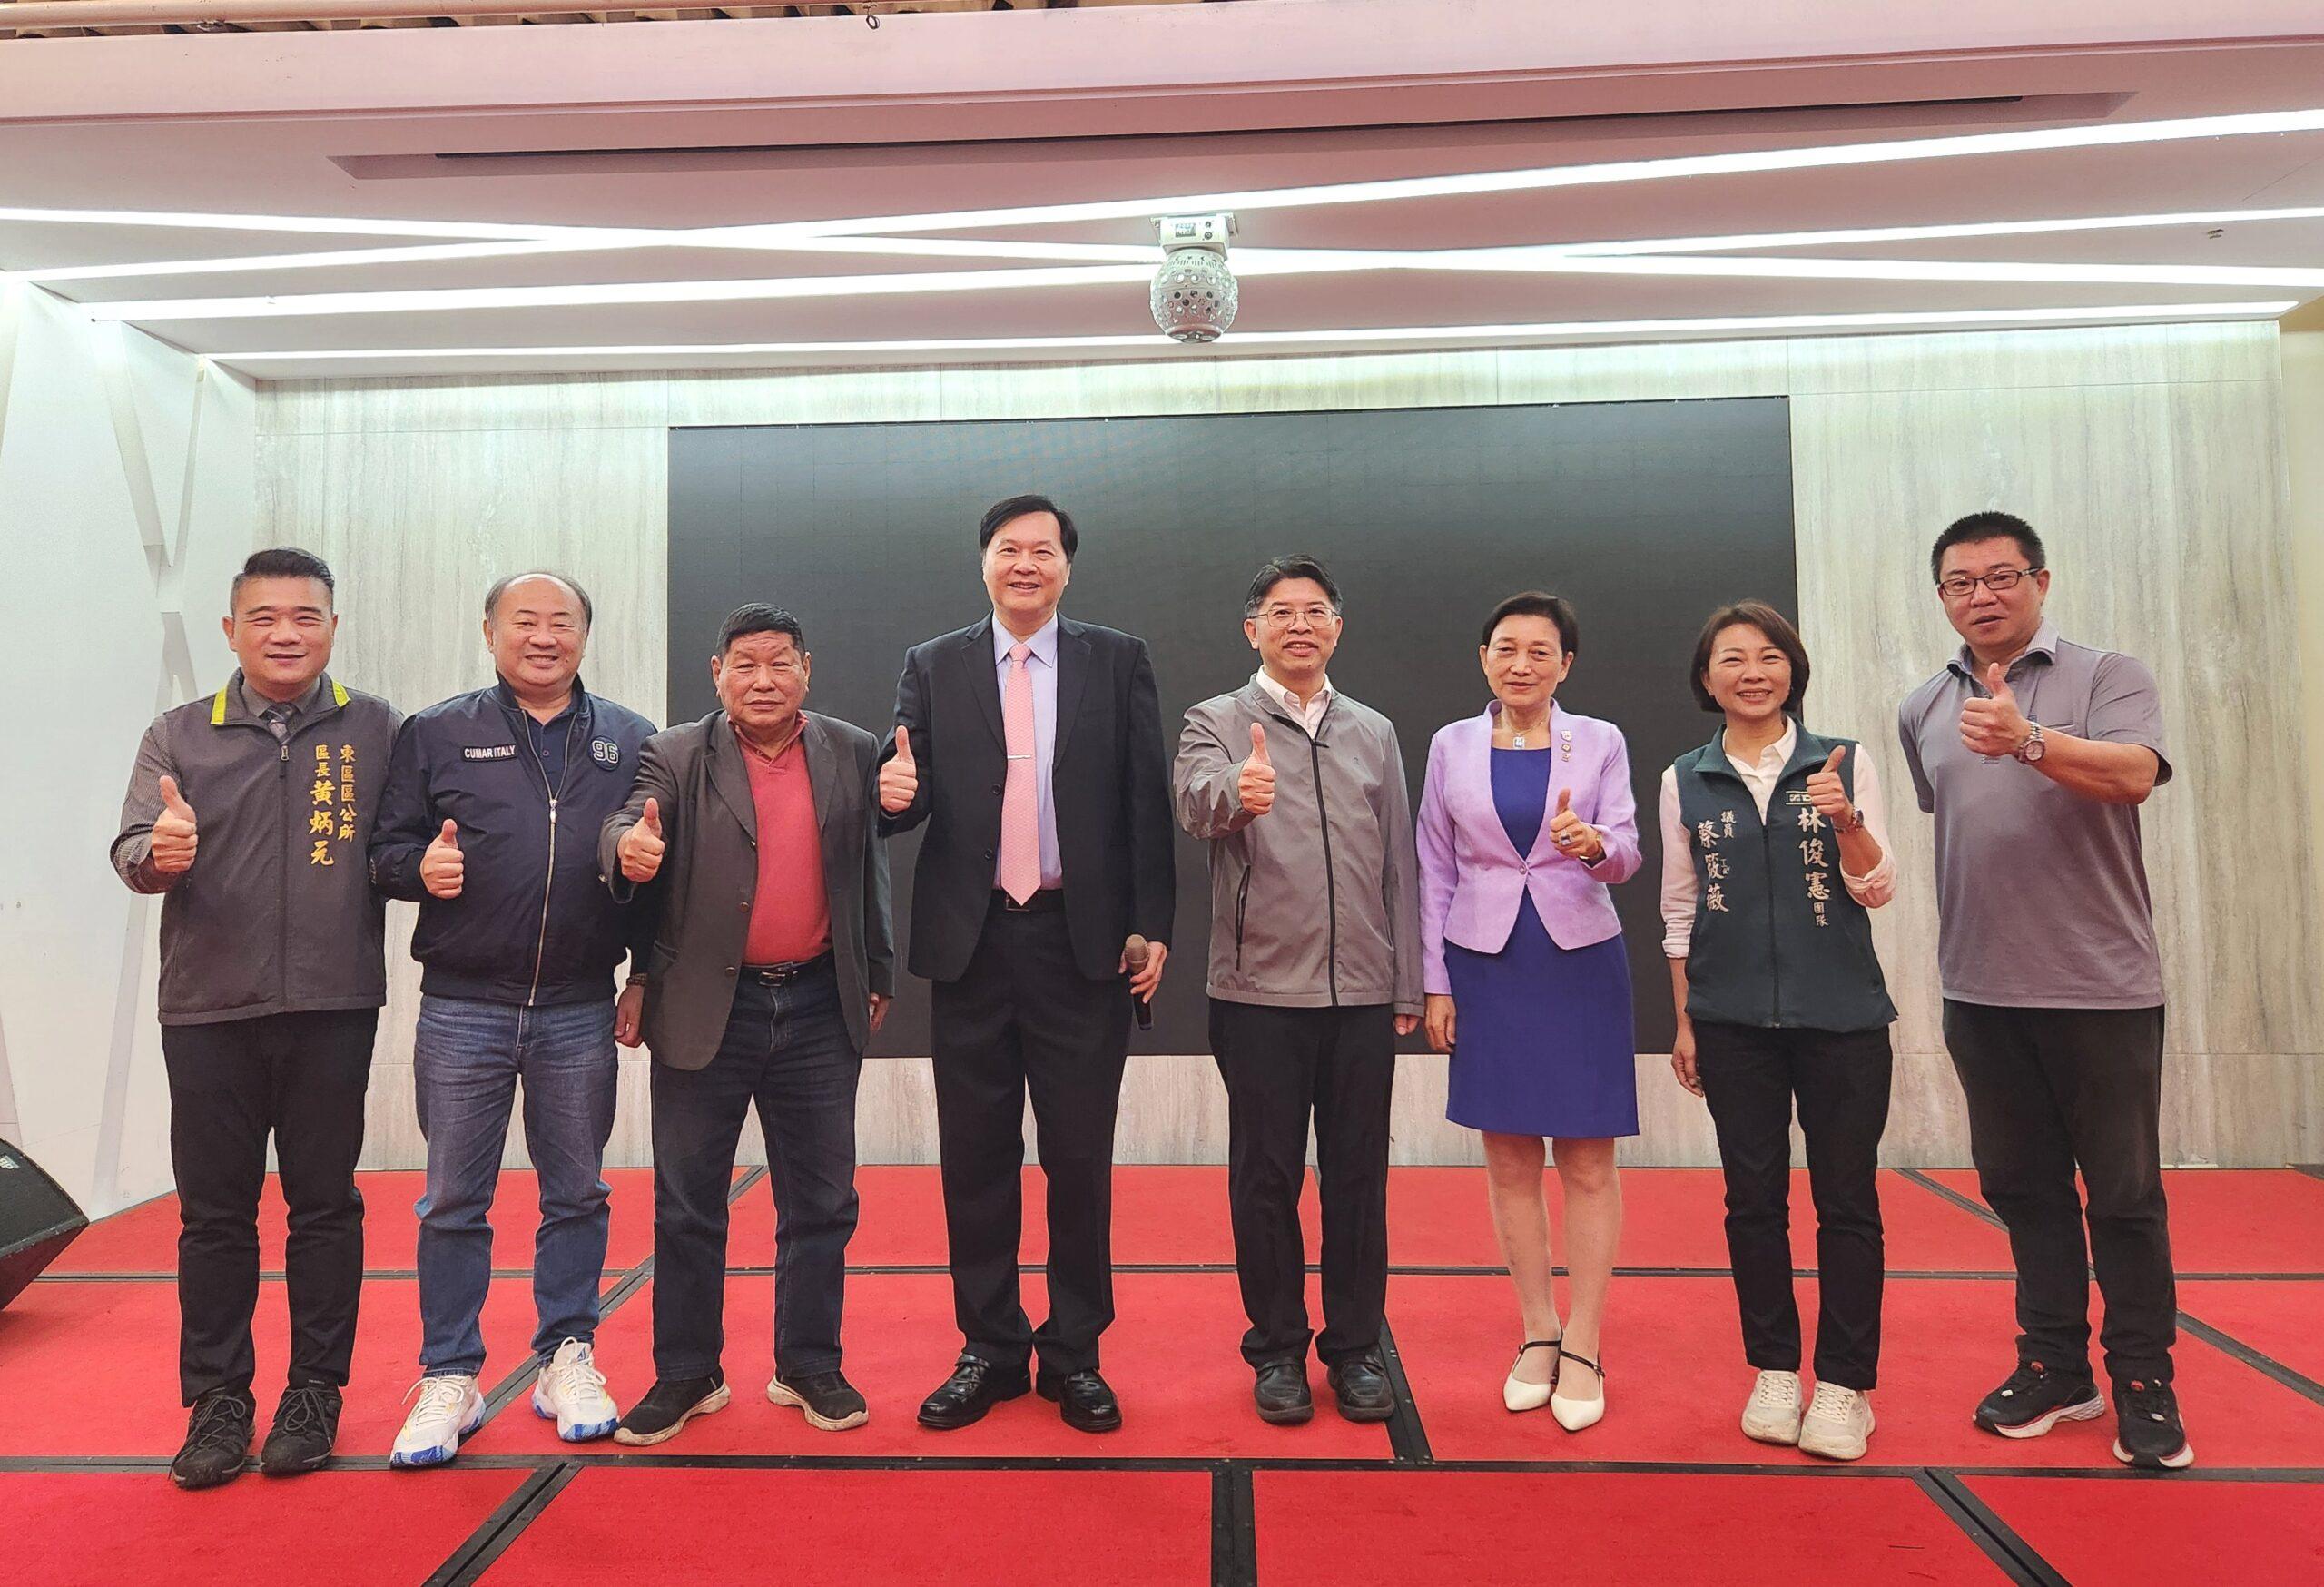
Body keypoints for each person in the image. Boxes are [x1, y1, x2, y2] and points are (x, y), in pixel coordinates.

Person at [1898, 510, 2191, 1471]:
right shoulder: (1922, 706)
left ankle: (2143, 1380)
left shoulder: (2108, 675)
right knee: (2023, 1191)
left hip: (2101, 988)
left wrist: (2028, 739)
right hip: (1980, 990)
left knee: (2124, 1197)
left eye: (2001, 575)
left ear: (2041, 581)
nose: (1981, 595)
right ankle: (2056, 1365)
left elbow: (2135, 775)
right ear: (1942, 596)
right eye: (1960, 582)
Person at [877, 494, 1175, 1434]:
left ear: (1066, 567)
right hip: (971, 944)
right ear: (984, 563)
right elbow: (904, 792)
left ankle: (1075, 1351)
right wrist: (891, 795)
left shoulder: (1116, 658)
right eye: (1010, 549)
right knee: (976, 1157)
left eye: (1043, 551)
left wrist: (1152, 924)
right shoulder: (933, 663)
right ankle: (991, 1346)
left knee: (1078, 1158)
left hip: (1079, 940)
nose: (1025, 565)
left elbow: (1145, 798)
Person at [109, 548, 399, 1490]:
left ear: (332, 629)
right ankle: (218, 1400)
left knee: (326, 1207)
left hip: (333, 1004)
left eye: (305, 616)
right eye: (264, 617)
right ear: (231, 630)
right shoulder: (178, 734)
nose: (285, 633)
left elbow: (402, 846)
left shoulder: (378, 729)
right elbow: (131, 849)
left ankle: (314, 1393)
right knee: (215, 1215)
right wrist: (158, 852)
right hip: (208, 1010)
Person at [367, 572, 655, 1466]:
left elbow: (658, 870)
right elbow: (383, 850)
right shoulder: (436, 731)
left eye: (560, 621)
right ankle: (450, 1372)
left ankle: (567, 1355)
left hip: (579, 1006)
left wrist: (645, 972)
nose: (543, 636)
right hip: (464, 1008)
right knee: (454, 1199)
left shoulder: (630, 738)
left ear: (585, 634)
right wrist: (419, 870)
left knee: (578, 1192)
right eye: (523, 621)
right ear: (490, 633)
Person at [596, 604, 893, 1445]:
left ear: (807, 668)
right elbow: (631, 820)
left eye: (780, 662)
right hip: (705, 1007)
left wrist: (877, 969)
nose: (764, 680)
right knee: (688, 1204)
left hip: (818, 1005)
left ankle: (809, 1362)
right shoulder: (675, 753)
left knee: (822, 1201)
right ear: (717, 673)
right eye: (745, 664)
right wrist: (625, 849)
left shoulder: (852, 748)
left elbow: (870, 867)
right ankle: (687, 1372)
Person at [1174, 556, 1424, 1427]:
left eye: (1316, 611)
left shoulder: (1374, 731)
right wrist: (1235, 794)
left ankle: (1355, 1349)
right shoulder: (1214, 720)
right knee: (1265, 1180)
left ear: (1338, 628)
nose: (1300, 626)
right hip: (1258, 995)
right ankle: (1276, 1347)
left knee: (1359, 1179)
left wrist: (1406, 979)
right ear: (1253, 630)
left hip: (1361, 993)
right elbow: (1193, 806)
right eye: (1281, 612)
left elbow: (1399, 861)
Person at [1662, 601, 1897, 1462]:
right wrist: (1686, 1019)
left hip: (1842, 1020)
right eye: (1732, 659)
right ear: (1707, 678)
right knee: (1752, 1202)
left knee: (1847, 1201)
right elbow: (1680, 911)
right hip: (1731, 1025)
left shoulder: (1842, 762)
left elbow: (1878, 888)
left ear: (1792, 669)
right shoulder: (1684, 778)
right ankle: (1772, 1369)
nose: (1752, 672)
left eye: (1768, 656)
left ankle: (1843, 1385)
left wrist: (1846, 821)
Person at [1415, 591, 1640, 1433]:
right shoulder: (1450, 744)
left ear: (1565, 665)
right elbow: (1434, 864)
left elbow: (1628, 849)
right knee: (1508, 1157)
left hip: (1579, 961)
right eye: (1506, 648)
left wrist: (1596, 846)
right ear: (1483, 658)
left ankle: (1585, 1340)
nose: (1521, 664)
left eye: (1541, 652)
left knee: (1587, 1159)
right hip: (1485, 962)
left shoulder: (1601, 740)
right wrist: (1436, 982)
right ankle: (1538, 1329)